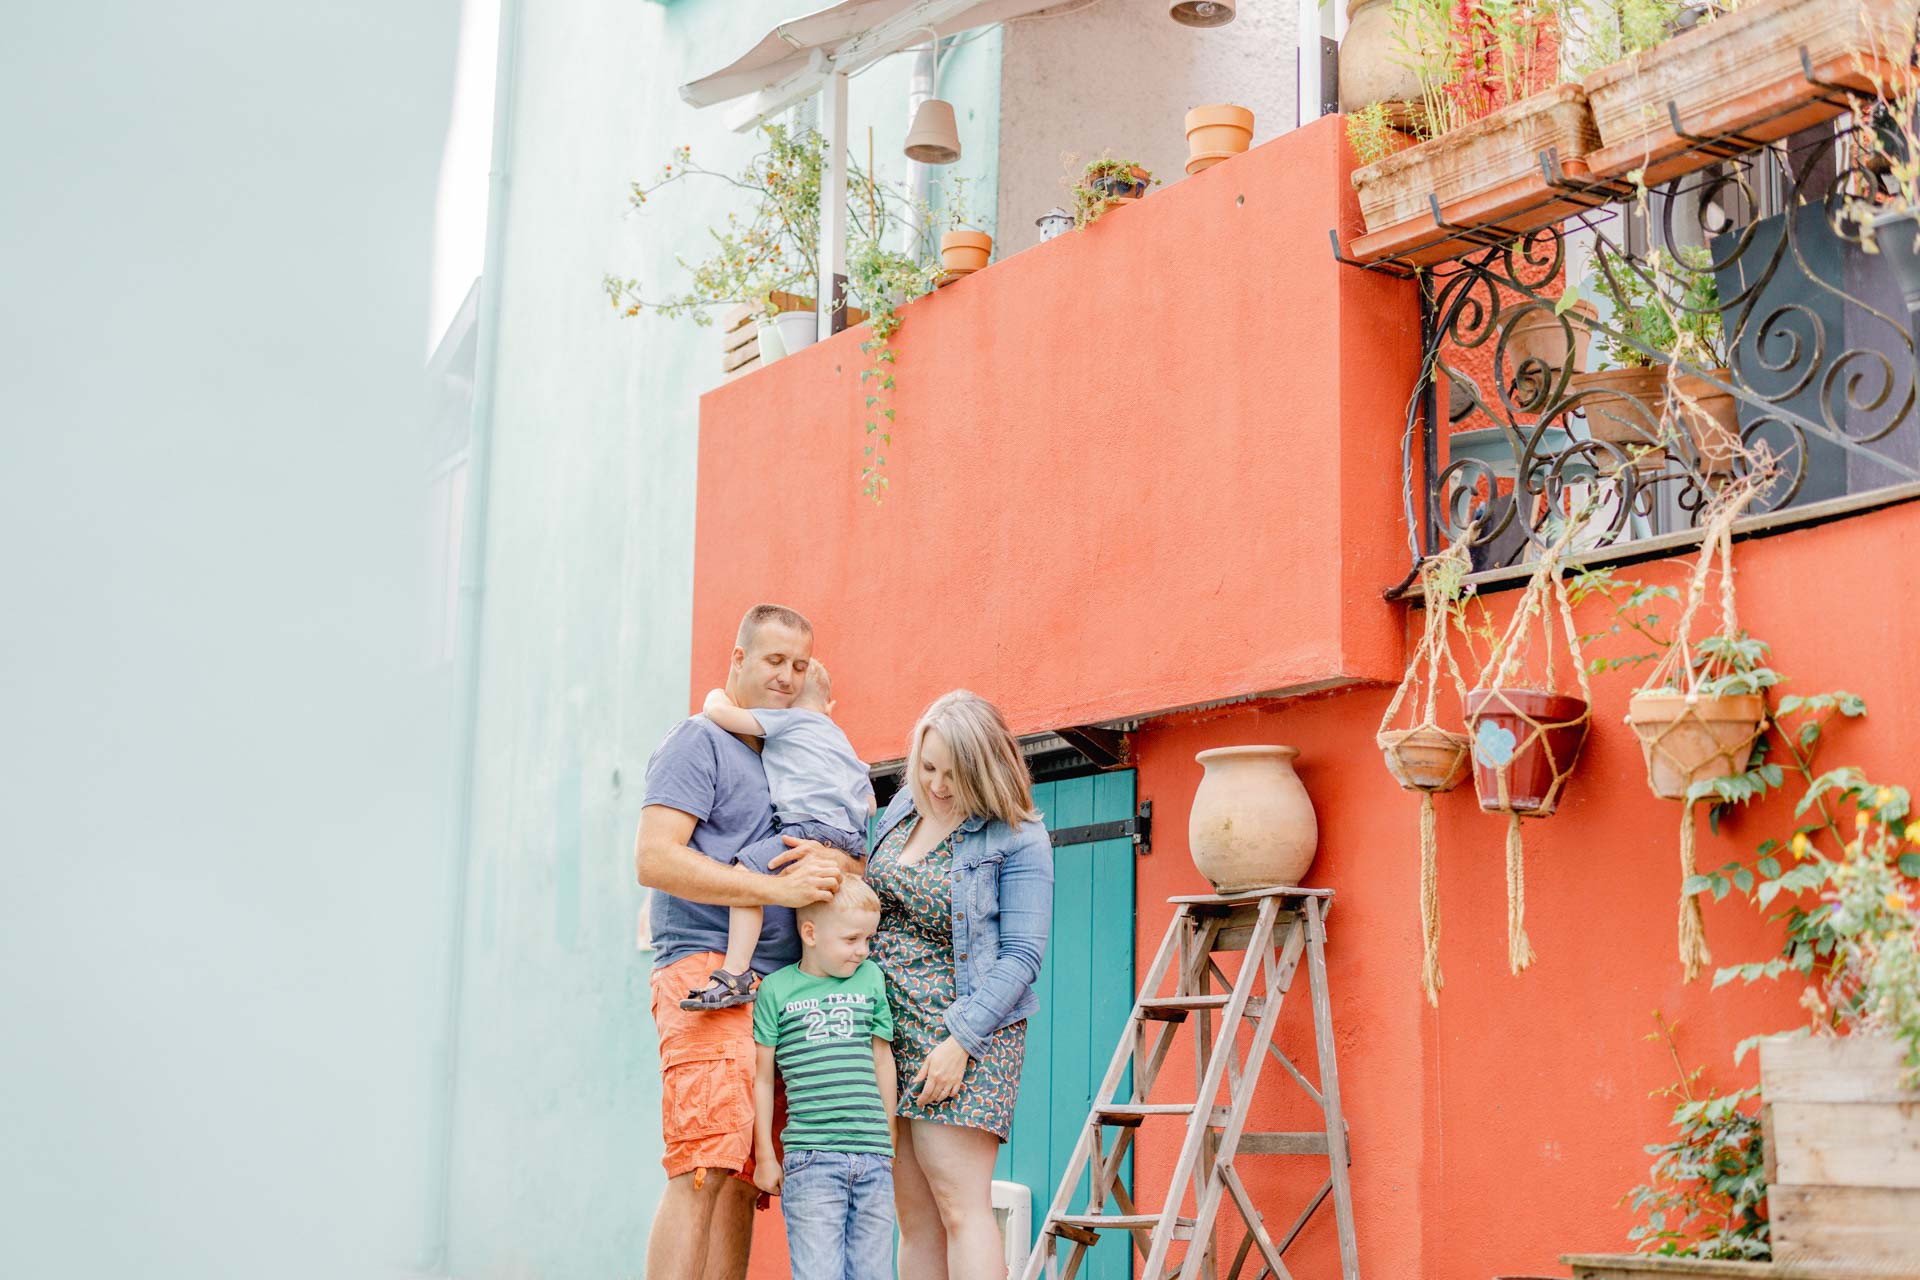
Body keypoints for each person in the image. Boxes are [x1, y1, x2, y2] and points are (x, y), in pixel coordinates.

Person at [634, 603, 863, 1280]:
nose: (788, 677)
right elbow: (654, 858)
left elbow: (831, 855)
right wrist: (773, 892)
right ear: (738, 661)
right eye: (773, 661)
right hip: (710, 974)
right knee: (703, 1165)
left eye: (799, 665)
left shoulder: (792, 749)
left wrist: (837, 868)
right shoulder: (698, 741)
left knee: (742, 1178)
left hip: (783, 991)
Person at [867, 690, 1053, 1280]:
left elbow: (1022, 956)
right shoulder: (902, 807)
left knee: (961, 1208)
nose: (938, 785)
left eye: (954, 773)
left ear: (985, 767)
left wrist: (960, 1042)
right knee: (914, 1217)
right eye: (927, 768)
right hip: (887, 1032)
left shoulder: (1017, 835)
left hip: (966, 1033)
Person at [683, 657, 875, 1011]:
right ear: (830, 705)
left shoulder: (791, 720)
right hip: (847, 835)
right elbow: (870, 802)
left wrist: (714, 696)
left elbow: (722, 715)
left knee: (745, 877)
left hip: (806, 826)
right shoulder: (840, 739)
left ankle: (735, 971)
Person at [750, 877, 898, 1280]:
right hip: (811, 1160)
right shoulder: (776, 991)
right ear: (810, 933)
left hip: (873, 1160)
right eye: (851, 939)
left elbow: (882, 1059)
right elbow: (762, 1078)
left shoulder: (870, 979)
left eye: (868, 939)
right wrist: (765, 1155)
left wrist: (890, 1137)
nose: (863, 951)